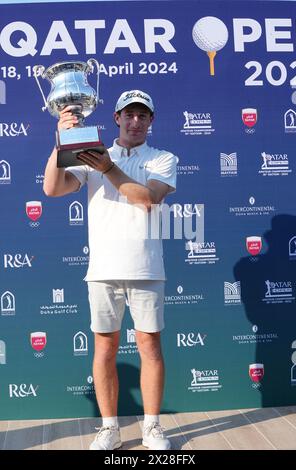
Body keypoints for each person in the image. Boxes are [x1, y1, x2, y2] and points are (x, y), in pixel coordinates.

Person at [43, 90, 178, 450]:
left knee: (149, 346)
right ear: (116, 118)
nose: (136, 122)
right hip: (102, 269)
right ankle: (109, 428)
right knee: (105, 347)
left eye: (143, 116)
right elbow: (52, 188)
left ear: (151, 121)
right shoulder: (92, 155)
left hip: (147, 268)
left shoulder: (162, 158)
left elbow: (147, 199)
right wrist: (60, 142)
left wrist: (108, 169)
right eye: (129, 115)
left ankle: (151, 426)